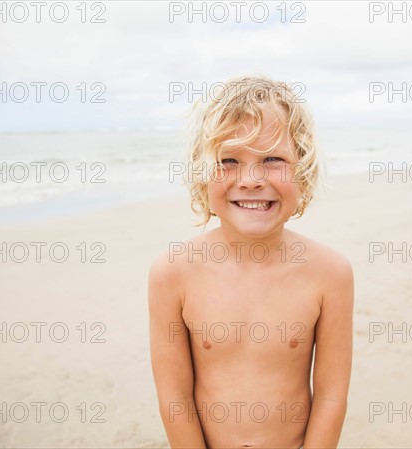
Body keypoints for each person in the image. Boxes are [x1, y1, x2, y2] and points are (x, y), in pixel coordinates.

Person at [148, 75, 354, 449]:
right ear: (202, 174)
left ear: (303, 172)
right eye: (228, 160)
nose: (252, 179)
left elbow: (330, 397)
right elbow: (175, 400)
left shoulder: (330, 274)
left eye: (273, 159)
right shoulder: (173, 273)